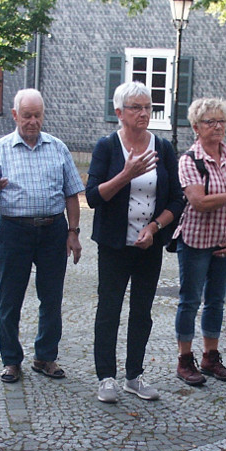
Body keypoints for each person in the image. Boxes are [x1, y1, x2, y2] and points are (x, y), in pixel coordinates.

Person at [0, 89, 85, 383]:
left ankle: (45, 356)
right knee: (10, 298)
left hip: (53, 230)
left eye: (38, 115)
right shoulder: (0, 149)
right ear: (15, 115)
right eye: (27, 115)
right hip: (14, 231)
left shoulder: (58, 148)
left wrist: (73, 232)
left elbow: (72, 194)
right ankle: (11, 360)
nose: (33, 121)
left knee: (51, 298)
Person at [85, 81, 184, 403]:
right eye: (136, 108)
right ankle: (106, 377)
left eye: (148, 107)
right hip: (114, 244)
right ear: (119, 112)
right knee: (109, 309)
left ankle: (134, 376)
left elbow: (177, 200)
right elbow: (93, 197)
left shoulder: (163, 147)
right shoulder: (107, 147)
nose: (144, 114)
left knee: (142, 311)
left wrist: (155, 227)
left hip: (148, 244)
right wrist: (126, 174)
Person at [172, 97, 226, 386]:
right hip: (194, 242)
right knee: (190, 301)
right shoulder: (189, 160)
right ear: (196, 127)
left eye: (222, 121)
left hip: (225, 244)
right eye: (210, 122)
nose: (217, 127)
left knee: (216, 302)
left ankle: (210, 357)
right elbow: (199, 202)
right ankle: (184, 359)